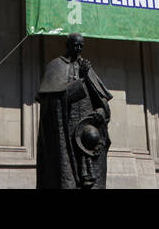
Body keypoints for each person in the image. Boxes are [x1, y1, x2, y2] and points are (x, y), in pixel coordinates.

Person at [36, 34, 112, 189]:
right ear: (68, 45)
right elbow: (50, 100)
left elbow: (102, 101)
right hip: (66, 133)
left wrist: (101, 113)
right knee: (67, 177)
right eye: (75, 45)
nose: (78, 49)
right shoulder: (55, 66)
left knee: (92, 178)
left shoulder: (86, 68)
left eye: (81, 46)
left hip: (88, 134)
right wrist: (81, 81)